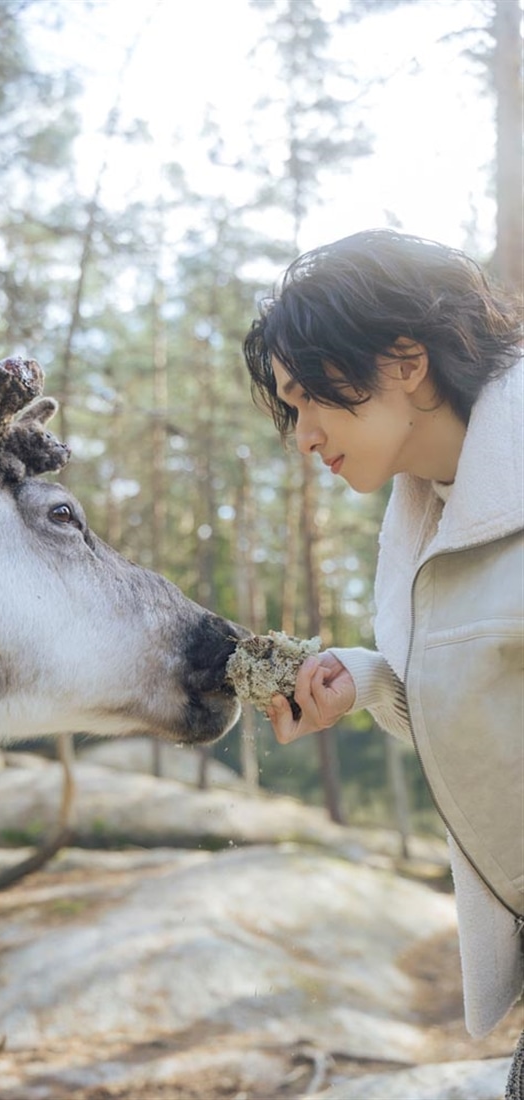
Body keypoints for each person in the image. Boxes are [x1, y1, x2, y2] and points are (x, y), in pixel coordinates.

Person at [243, 228, 523, 1094]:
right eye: (288, 410)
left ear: (405, 360)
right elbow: (486, 723)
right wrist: (362, 683)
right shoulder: (423, 522)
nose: (303, 436)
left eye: (309, 398)